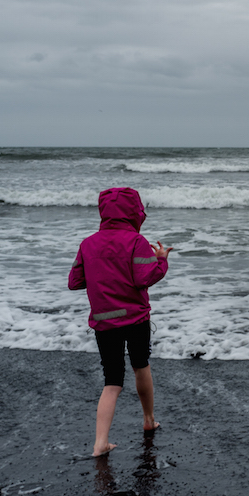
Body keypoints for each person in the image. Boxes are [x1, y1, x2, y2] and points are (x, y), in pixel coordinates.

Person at [68, 187, 172, 457]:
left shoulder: (87, 244)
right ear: (135, 212)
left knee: (112, 381)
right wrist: (161, 261)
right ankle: (148, 420)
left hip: (104, 321)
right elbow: (144, 278)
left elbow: (74, 282)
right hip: (136, 318)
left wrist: (101, 275)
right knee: (140, 366)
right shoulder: (136, 241)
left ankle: (100, 443)